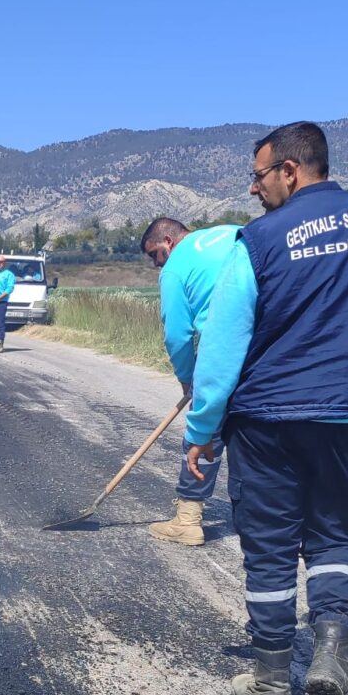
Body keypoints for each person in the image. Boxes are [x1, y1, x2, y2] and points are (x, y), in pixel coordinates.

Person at [185, 121, 348, 695]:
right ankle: (331, 652)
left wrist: (202, 428)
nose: (254, 190)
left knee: (270, 545)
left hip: (269, 419)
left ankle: (272, 684)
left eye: (259, 175)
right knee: (337, 535)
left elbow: (223, 343)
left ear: (290, 171)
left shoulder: (261, 238)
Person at [140, 217, 240, 545]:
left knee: (203, 431)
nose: (156, 264)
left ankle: (188, 519)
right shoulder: (231, 232)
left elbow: (177, 335)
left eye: (155, 254)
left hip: (223, 349)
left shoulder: (175, 268)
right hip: (270, 350)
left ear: (167, 240)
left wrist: (187, 378)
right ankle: (268, 522)